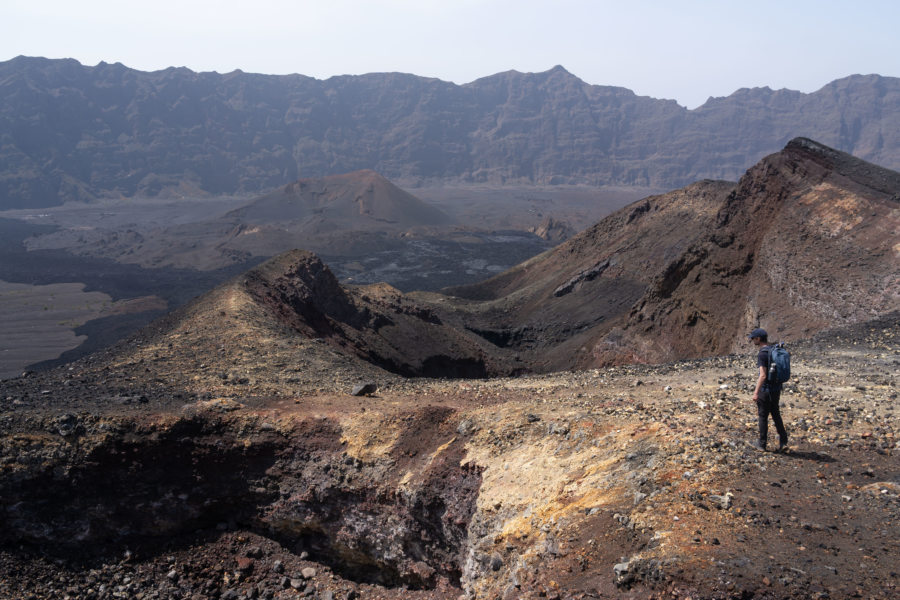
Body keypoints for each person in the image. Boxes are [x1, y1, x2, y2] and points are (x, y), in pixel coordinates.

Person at [748, 328, 788, 451]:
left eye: (753, 338)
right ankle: (783, 442)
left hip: (765, 390)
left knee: (762, 416)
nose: (752, 340)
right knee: (776, 414)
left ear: (758, 339)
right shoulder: (773, 349)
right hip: (776, 389)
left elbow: (763, 375)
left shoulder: (762, 353)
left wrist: (756, 392)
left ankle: (762, 443)